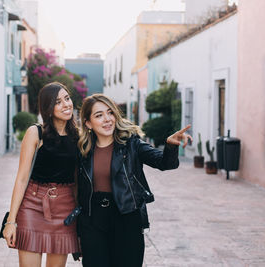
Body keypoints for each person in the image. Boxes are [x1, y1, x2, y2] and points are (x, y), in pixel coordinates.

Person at [76, 94, 192, 267]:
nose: (107, 119)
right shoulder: (83, 150)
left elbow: (164, 163)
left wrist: (170, 145)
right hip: (93, 220)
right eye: (99, 115)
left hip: (126, 216)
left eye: (110, 113)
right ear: (88, 123)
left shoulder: (131, 144)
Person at [2, 82, 80, 267]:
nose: (66, 104)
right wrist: (10, 222)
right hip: (32, 205)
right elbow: (21, 179)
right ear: (48, 108)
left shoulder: (79, 136)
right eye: (58, 102)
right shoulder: (36, 132)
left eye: (67, 98)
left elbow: (78, 179)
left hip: (65, 209)